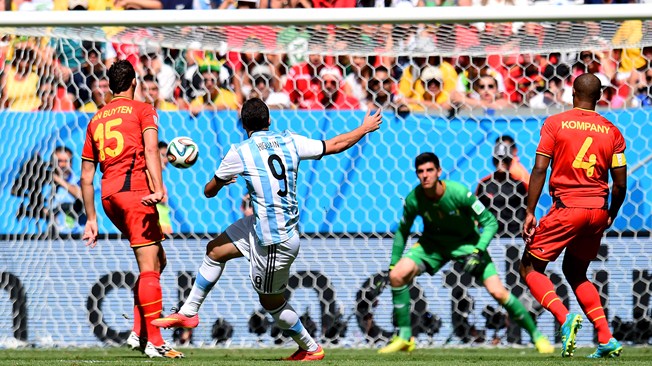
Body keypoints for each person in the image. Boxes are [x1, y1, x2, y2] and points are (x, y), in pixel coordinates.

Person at [152, 98, 383, 361]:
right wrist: (363, 128)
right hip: (262, 225)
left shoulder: (239, 152)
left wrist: (222, 182)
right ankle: (189, 312)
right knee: (214, 250)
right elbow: (334, 145)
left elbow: (208, 192)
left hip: (274, 240)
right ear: (270, 120)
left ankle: (310, 347)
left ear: (243, 125)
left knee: (270, 302)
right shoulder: (290, 140)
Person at [379, 152, 553, 354]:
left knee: (498, 292)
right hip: (432, 246)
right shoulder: (414, 199)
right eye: (420, 172)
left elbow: (490, 222)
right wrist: (393, 262)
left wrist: (479, 250)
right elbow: (402, 231)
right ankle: (404, 337)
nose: (425, 175)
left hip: (468, 245)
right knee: (397, 275)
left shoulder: (460, 193)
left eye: (429, 170)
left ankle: (538, 337)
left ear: (439, 172)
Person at [519, 73, 627, 359]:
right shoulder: (612, 131)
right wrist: (611, 215)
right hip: (596, 211)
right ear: (600, 95)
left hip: (568, 208)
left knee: (529, 268)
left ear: (572, 93)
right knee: (576, 272)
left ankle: (564, 317)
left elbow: (540, 168)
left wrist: (530, 211)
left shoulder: (556, 123)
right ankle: (606, 338)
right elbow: (620, 184)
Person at [80, 60, 183, 359]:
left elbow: (86, 176)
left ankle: (139, 332)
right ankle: (155, 341)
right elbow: (151, 150)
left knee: (157, 260)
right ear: (134, 83)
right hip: (135, 191)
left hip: (109, 197)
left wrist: (91, 219)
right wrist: (158, 188)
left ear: (110, 87)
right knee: (149, 267)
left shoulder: (96, 119)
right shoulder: (143, 110)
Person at [476, 142, 527, 238]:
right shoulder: (485, 184)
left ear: (510, 161)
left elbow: (526, 211)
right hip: (491, 235)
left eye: (505, 159)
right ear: (493, 161)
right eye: (498, 159)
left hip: (515, 236)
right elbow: (478, 210)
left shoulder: (518, 185)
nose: (501, 162)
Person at [48, 146, 85, 236]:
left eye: (67, 161)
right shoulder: (48, 185)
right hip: (54, 236)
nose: (64, 165)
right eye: (60, 161)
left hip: (78, 235)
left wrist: (59, 180)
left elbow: (83, 196)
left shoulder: (79, 181)